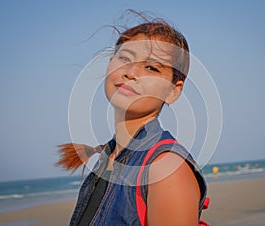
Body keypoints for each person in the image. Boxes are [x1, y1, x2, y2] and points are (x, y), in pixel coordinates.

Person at [56, 11, 208, 226]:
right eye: (124, 58)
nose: (131, 72)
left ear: (173, 91)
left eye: (151, 67)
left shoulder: (165, 168)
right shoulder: (109, 158)